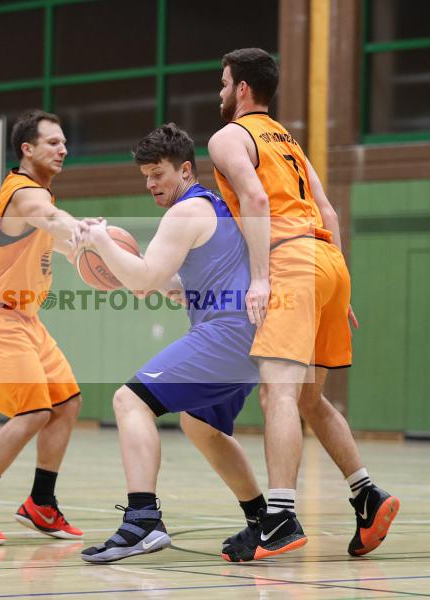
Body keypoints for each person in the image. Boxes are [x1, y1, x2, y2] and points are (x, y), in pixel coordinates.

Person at [208, 48, 399, 559]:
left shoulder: (230, 136)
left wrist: (261, 280)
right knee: (312, 399)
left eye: (224, 83)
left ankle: (281, 518)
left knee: (279, 396)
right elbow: (329, 209)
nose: (220, 92)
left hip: (290, 261)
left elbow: (255, 201)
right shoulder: (291, 142)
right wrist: (342, 291)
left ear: (243, 89)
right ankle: (367, 495)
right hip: (328, 264)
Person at [78, 124, 269, 563]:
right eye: (145, 175)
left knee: (130, 401)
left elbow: (144, 281)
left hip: (226, 333)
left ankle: (142, 520)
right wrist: (128, 267)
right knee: (199, 426)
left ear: (185, 169)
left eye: (158, 173)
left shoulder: (184, 213)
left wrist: (103, 241)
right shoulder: (214, 206)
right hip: (249, 335)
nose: (150, 184)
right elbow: (178, 284)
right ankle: (262, 520)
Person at [0, 110, 85, 545]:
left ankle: (41, 504)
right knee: (33, 412)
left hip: (25, 318)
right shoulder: (24, 195)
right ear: (27, 150)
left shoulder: (40, 198)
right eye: (52, 143)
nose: (62, 149)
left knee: (66, 403)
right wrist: (83, 231)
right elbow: (55, 221)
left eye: (64, 142)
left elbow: (62, 238)